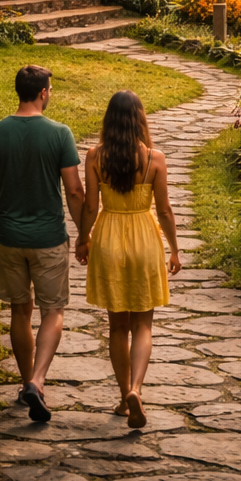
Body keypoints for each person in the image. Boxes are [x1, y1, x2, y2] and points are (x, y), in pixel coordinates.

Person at [0, 64, 84, 422]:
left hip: (8, 237)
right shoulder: (60, 134)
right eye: (50, 89)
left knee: (20, 310)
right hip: (48, 238)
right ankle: (37, 381)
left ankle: (25, 384)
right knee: (53, 310)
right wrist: (84, 232)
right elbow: (74, 189)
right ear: (43, 93)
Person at [75, 90, 181, 429]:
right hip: (144, 239)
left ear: (109, 120)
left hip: (108, 238)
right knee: (143, 325)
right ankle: (137, 388)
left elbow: (91, 206)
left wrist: (83, 237)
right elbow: (164, 210)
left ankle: (124, 397)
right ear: (140, 120)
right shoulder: (155, 159)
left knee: (117, 326)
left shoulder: (94, 156)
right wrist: (175, 249)